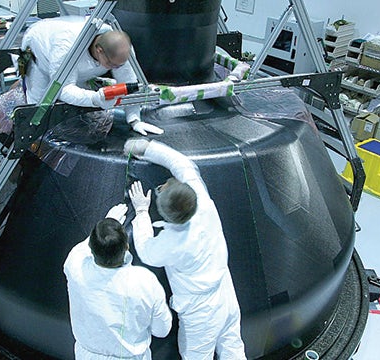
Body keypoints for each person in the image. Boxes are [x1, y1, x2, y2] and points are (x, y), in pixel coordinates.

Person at [126, 139, 247, 360]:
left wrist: (142, 212)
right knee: (233, 348)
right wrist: (147, 148)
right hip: (225, 291)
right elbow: (182, 165)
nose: (163, 186)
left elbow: (145, 251)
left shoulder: (173, 242)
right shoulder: (202, 201)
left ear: (165, 213)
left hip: (201, 312)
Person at [21, 16, 163, 136]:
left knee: (81, 110)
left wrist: (134, 119)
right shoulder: (67, 48)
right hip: (39, 52)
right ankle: (35, 149)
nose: (114, 69)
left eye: (118, 66)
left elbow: (128, 83)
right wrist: (95, 99)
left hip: (77, 64)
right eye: (110, 64)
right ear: (99, 50)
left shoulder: (120, 49)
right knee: (38, 110)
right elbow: (62, 89)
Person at [63, 203, 172, 359]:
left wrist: (109, 222)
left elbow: (83, 248)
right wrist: (141, 212)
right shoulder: (145, 282)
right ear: (127, 246)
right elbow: (162, 330)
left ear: (91, 248)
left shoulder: (74, 266)